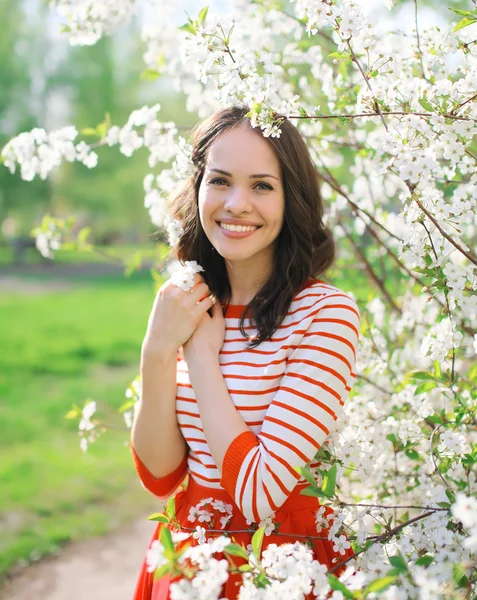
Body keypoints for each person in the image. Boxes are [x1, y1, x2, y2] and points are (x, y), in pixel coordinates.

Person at [130, 105, 361, 600]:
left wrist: (200, 361)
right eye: (220, 181)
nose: (237, 203)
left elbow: (259, 496)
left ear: (291, 198)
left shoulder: (325, 314)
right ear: (198, 189)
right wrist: (156, 349)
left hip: (282, 564)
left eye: (262, 185)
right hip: (188, 560)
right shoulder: (187, 302)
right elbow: (161, 474)